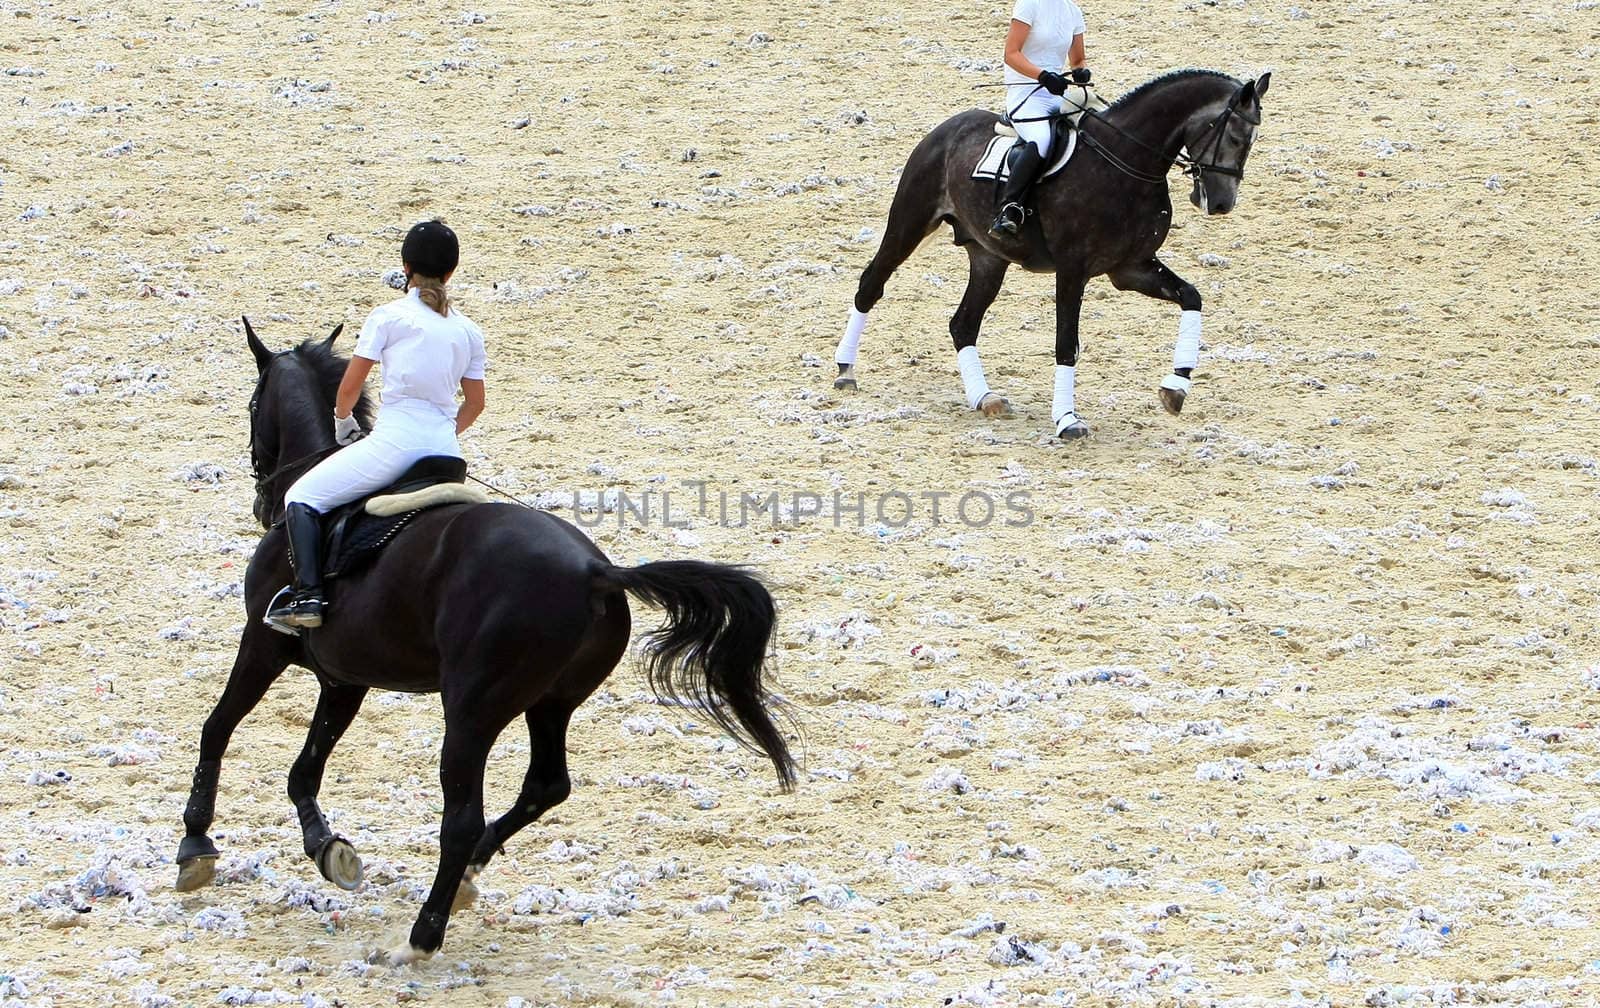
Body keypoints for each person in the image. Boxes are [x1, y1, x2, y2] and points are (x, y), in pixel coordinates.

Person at [267, 219, 488, 629]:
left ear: (405, 268)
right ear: (451, 272)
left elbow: (349, 389)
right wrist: (440, 434)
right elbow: (475, 404)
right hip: (447, 454)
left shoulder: (389, 316)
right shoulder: (468, 331)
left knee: (300, 497)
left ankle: (309, 598)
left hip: (395, 444)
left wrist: (343, 423)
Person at [989, 0, 1092, 238]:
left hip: (1057, 94)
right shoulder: (1029, 5)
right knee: (1042, 140)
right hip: (1025, 93)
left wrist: (1081, 71)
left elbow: (1077, 59)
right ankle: (1009, 207)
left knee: (1093, 128)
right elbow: (1011, 53)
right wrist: (1043, 75)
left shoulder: (1073, 12)